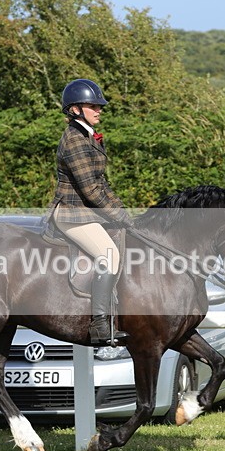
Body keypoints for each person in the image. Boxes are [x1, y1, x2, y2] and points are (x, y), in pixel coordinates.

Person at [47, 78, 133, 345]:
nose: (99, 110)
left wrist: (122, 211)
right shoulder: (74, 139)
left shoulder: (87, 135)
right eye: (93, 105)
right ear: (75, 109)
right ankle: (99, 325)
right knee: (109, 256)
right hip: (73, 213)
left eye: (99, 106)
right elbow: (90, 190)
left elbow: (102, 184)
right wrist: (120, 216)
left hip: (87, 212)